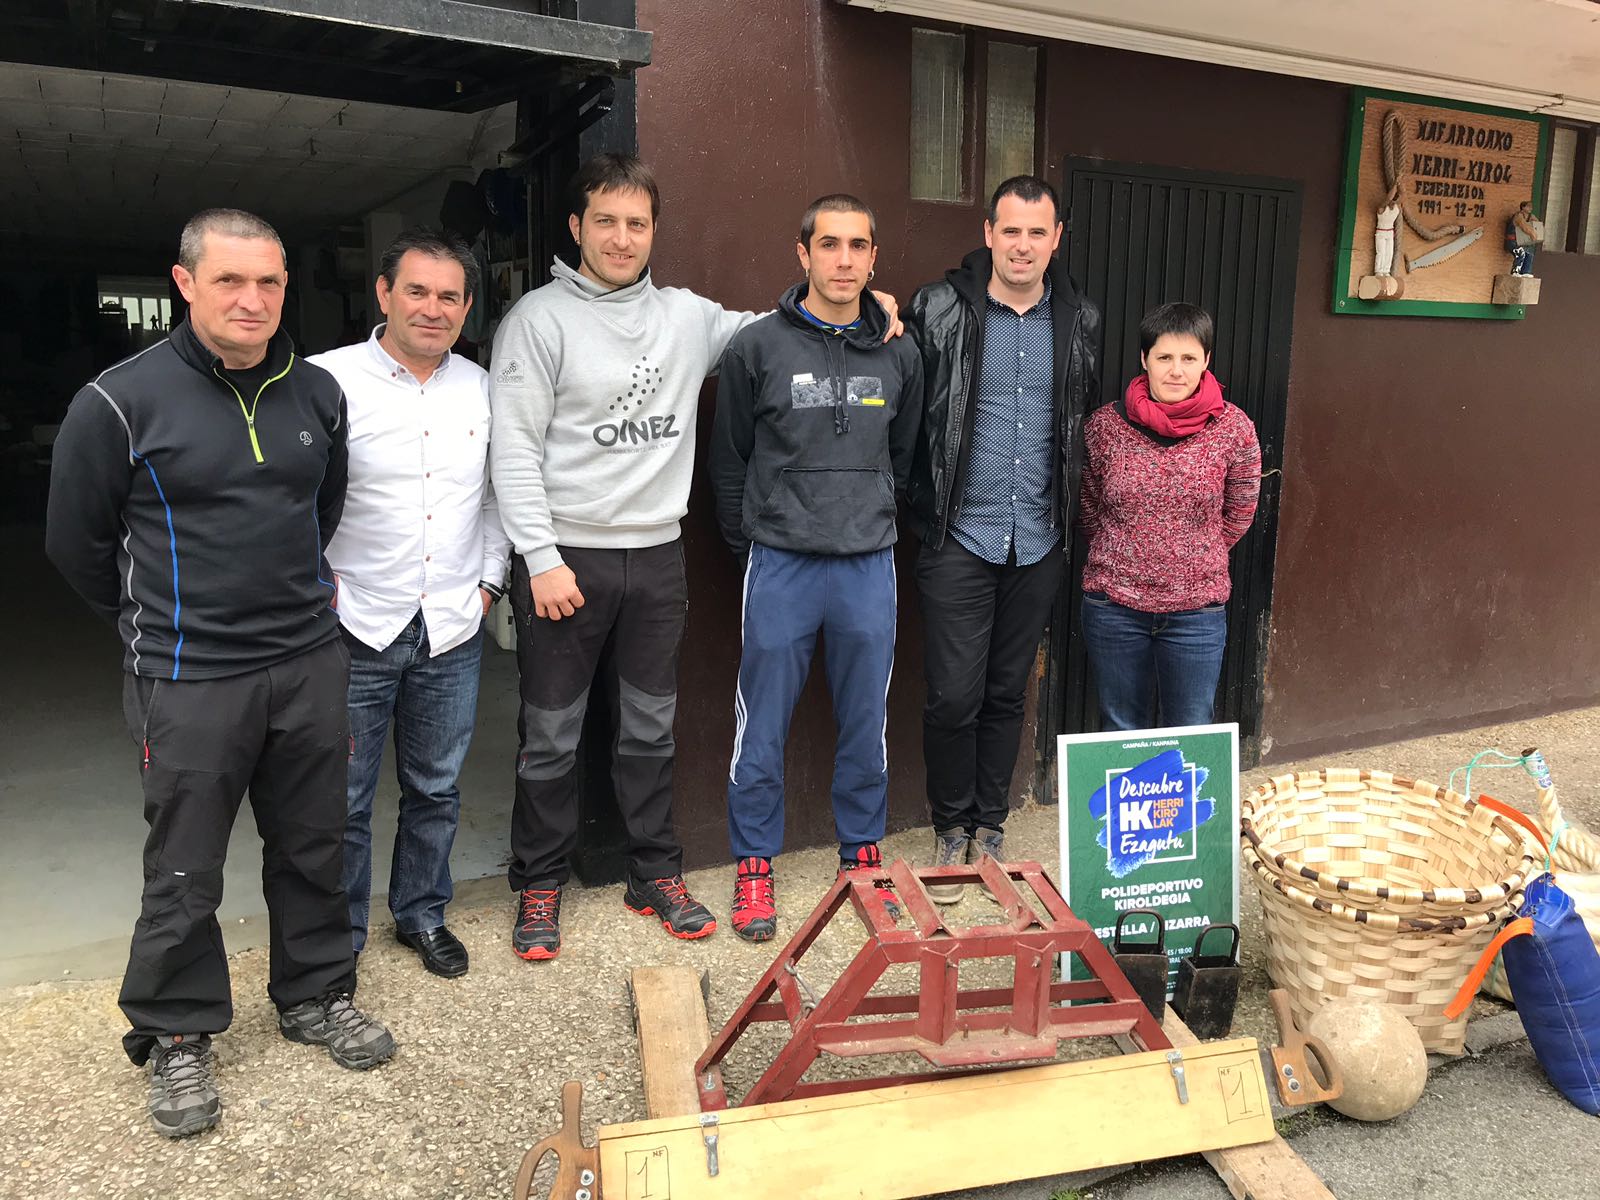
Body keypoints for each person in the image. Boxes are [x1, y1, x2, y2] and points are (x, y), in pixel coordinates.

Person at [45, 209, 395, 1140]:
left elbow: (320, 509)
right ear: (185, 283)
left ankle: (315, 994)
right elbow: (75, 545)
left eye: (270, 283)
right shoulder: (119, 403)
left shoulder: (316, 392)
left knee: (317, 842)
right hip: (190, 677)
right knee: (186, 869)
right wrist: (155, 623)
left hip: (308, 663)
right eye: (231, 281)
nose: (253, 301)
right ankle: (177, 1032)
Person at [709, 194, 923, 941]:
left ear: (872, 257)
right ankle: (755, 864)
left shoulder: (900, 351)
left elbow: (904, 457)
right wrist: (755, 542)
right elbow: (730, 457)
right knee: (761, 722)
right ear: (802, 253)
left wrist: (873, 518)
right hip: (781, 564)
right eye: (828, 244)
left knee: (867, 720)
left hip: (867, 563)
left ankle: (862, 856)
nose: (842, 259)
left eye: (857, 245)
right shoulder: (756, 347)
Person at [308, 228, 511, 980]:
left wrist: (490, 584)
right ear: (384, 293)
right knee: (344, 799)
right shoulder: (324, 382)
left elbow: (498, 498)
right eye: (417, 291)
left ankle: (422, 913)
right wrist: (313, 586)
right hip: (352, 622)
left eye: (450, 296)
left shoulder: (484, 390)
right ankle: (339, 943)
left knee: (435, 787)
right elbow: (289, 500)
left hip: (451, 625)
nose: (433, 308)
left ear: (467, 307)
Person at [904, 176, 1101, 904]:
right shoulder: (940, 307)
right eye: (1010, 231)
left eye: (1037, 232)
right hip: (961, 533)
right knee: (952, 695)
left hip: (1039, 536)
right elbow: (909, 409)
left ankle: (990, 824)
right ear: (989, 233)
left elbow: (1075, 420)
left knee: (1005, 692)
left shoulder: (1078, 319)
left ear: (1057, 240)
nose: (1023, 245)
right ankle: (949, 824)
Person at [1077, 302, 1260, 731]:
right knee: (1121, 727)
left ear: (1206, 362)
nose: (1176, 370)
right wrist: (1127, 553)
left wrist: (1191, 555)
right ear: (1145, 360)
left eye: (1188, 358)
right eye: (1164, 357)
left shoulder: (1234, 430)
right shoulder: (1105, 426)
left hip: (1197, 611)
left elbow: (1240, 510)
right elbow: (1086, 507)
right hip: (1114, 606)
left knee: (1192, 728)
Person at [1506, 200, 1543, 276]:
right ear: (1523, 207)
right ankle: (1515, 271)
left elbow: (1537, 224)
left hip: (1520, 242)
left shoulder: (1530, 216)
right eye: (1528, 206)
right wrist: (1532, 233)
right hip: (1512, 241)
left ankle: (1525, 272)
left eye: (1531, 206)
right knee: (1520, 253)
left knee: (1529, 254)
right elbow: (1524, 227)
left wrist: (1538, 227)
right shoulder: (1518, 216)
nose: (1530, 208)